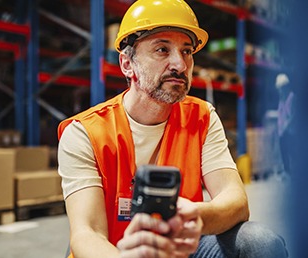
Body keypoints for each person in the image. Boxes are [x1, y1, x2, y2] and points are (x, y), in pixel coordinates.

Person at [57, 0, 288, 257]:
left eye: (187, 51)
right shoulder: (84, 133)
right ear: (127, 64)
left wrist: (195, 217)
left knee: (259, 242)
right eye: (162, 50)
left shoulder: (201, 117)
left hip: (180, 247)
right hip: (114, 251)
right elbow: (86, 232)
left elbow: (235, 201)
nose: (179, 64)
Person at [276, 73, 295, 175]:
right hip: (282, 132)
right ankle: (287, 172)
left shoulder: (292, 98)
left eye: (281, 88)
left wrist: (286, 126)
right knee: (284, 153)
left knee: (292, 153)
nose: (280, 91)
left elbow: (294, 114)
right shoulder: (282, 99)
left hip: (290, 132)